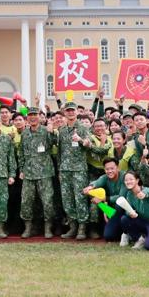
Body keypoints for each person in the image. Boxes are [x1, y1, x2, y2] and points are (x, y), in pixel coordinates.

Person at [55, 101, 91, 240]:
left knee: (80, 198)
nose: (70, 112)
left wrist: (81, 140)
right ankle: (73, 226)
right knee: (67, 199)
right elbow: (60, 152)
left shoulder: (82, 127)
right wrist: (59, 170)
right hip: (64, 170)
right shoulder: (62, 130)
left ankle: (82, 228)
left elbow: (88, 144)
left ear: (77, 112)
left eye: (72, 110)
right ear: (65, 112)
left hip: (79, 169)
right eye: (68, 110)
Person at [19, 108, 56, 239]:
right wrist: (21, 169)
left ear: (40, 117)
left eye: (35, 115)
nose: (32, 117)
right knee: (26, 202)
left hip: (44, 172)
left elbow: (53, 144)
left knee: (47, 201)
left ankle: (48, 228)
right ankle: (28, 228)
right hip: (28, 173)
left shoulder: (46, 131)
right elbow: (21, 153)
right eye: (30, 115)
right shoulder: (24, 133)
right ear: (27, 118)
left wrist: (52, 133)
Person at [110, 170, 149, 249]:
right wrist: (130, 213)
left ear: (137, 180)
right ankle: (139, 238)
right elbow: (128, 209)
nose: (128, 182)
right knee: (125, 219)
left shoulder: (146, 189)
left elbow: (147, 192)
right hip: (142, 220)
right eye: (126, 180)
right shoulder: (129, 194)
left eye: (131, 179)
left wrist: (142, 194)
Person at [84, 158, 123, 241]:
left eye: (112, 168)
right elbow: (97, 182)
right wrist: (90, 187)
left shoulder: (124, 177)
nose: (109, 171)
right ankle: (95, 228)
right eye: (107, 169)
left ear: (118, 168)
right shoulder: (105, 177)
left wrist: (104, 199)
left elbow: (122, 197)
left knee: (119, 205)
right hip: (111, 211)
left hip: (124, 211)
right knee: (108, 236)